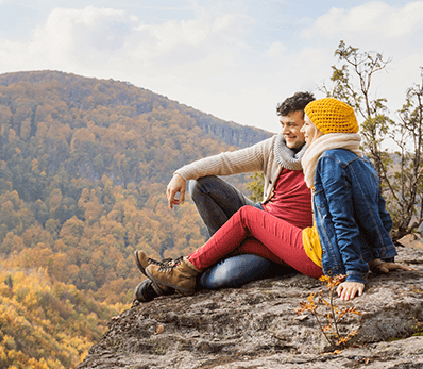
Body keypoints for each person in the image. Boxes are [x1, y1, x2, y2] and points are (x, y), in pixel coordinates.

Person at [138, 98, 412, 301]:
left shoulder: (327, 161)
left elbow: (343, 220)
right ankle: (172, 278)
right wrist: (378, 256)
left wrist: (355, 274)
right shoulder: (358, 161)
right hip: (293, 239)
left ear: (320, 126)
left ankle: (180, 274)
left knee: (234, 244)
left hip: (313, 252)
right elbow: (377, 215)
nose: (300, 131)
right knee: (221, 215)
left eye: (304, 125)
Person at [134, 91, 317, 303]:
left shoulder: (320, 155)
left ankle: (170, 280)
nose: (286, 131)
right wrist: (181, 174)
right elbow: (227, 162)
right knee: (202, 185)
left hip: (285, 243)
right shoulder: (275, 148)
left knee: (225, 276)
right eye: (282, 124)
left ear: (308, 124)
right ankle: (197, 261)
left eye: (292, 125)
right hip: (261, 218)